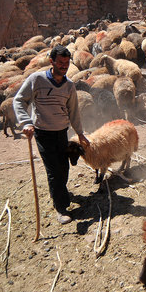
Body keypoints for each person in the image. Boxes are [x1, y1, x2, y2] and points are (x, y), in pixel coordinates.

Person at [13, 45, 90, 225]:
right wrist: (26, 122)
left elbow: (73, 112)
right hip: (42, 133)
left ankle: (59, 192)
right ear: (52, 62)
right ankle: (61, 208)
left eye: (66, 63)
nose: (64, 66)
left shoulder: (69, 86)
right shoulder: (36, 79)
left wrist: (80, 133)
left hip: (61, 132)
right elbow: (19, 100)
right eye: (60, 62)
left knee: (63, 168)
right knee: (54, 171)